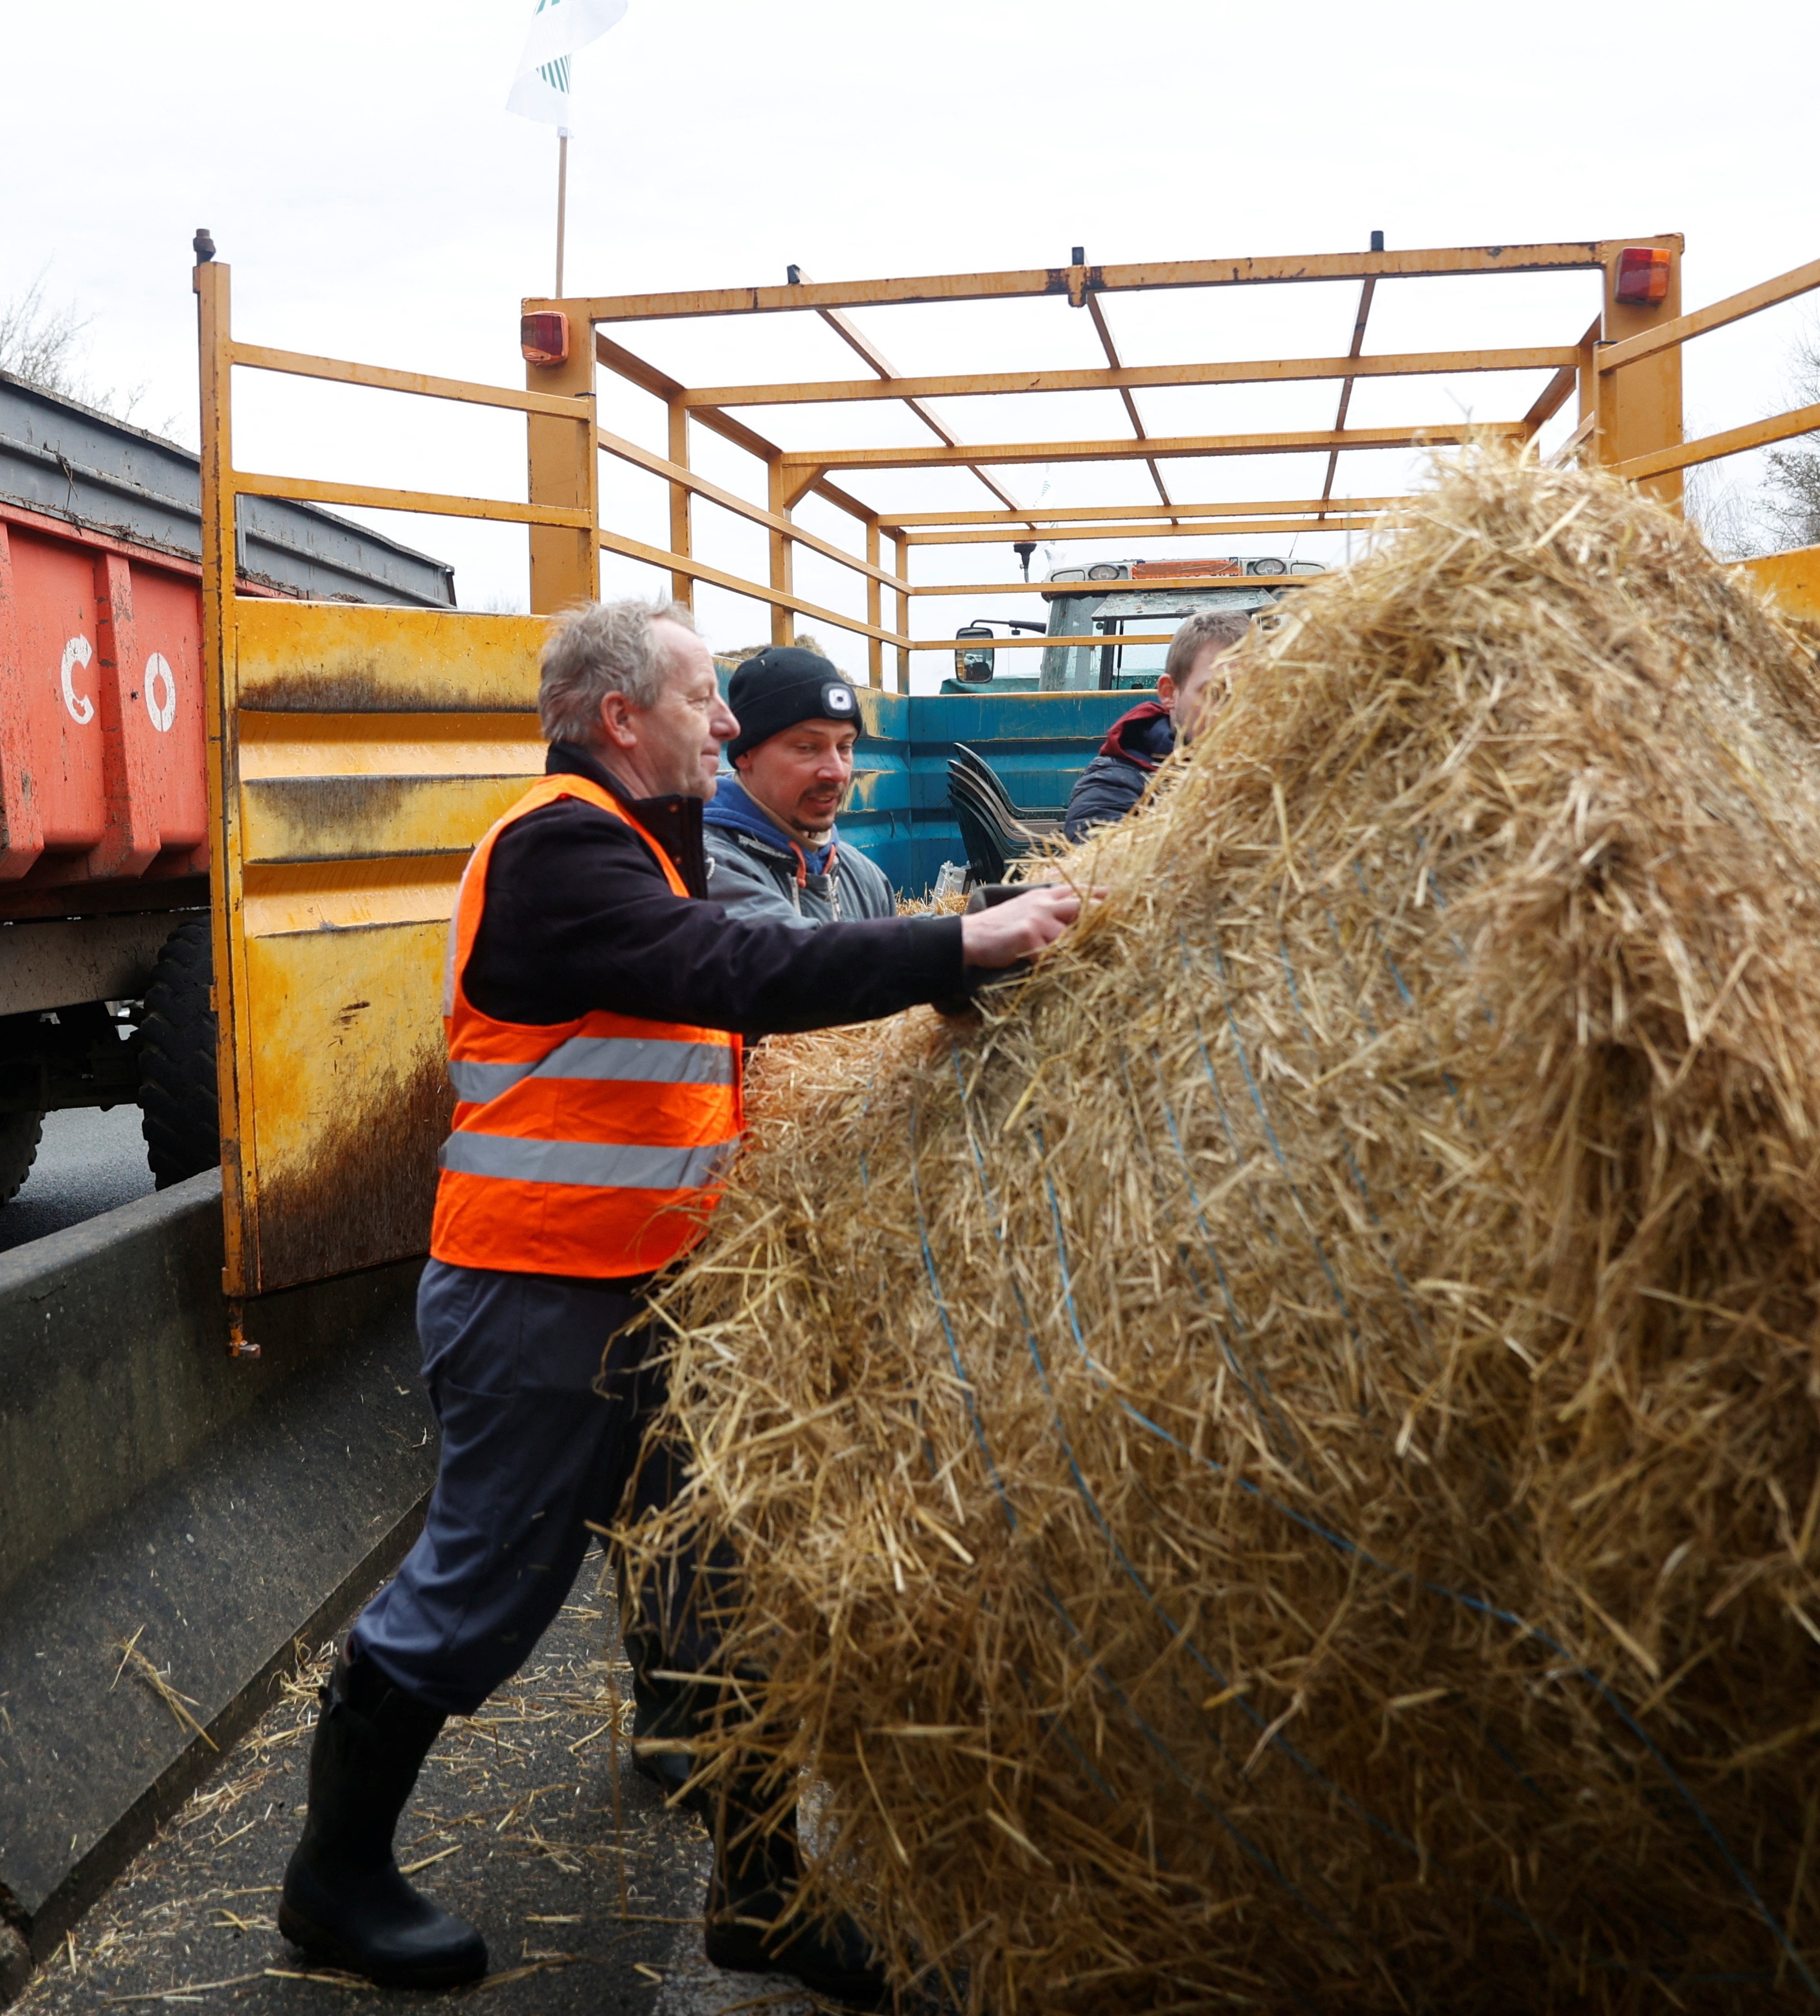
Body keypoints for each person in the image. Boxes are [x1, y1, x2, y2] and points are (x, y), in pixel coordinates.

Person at [276, 596, 1079, 2008]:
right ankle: (331, 1882)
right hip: (539, 1293)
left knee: (717, 1583)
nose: (727, 720)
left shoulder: (646, 844)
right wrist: (961, 946)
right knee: (479, 1594)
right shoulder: (558, 847)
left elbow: (730, 994)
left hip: (652, 1289)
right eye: (706, 697)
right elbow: (734, 970)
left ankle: (763, 1896)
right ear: (619, 716)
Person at [704, 644, 894, 925]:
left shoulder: (865, 879)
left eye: (845, 747)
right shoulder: (708, 868)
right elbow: (790, 947)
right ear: (745, 754)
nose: (836, 772)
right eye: (807, 747)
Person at [1060, 607, 1249, 842]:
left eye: (1253, 696)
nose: (1236, 713)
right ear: (1169, 693)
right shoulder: (1114, 785)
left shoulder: (1280, 776)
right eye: (1216, 694)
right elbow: (1098, 855)